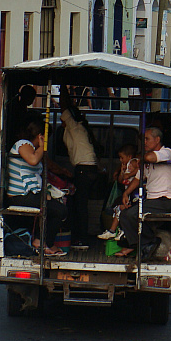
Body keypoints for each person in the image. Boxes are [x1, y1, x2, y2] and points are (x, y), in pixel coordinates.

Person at [6, 119, 68, 256]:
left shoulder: (32, 148)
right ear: (41, 135)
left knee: (57, 207)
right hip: (20, 196)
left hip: (29, 194)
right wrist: (42, 146)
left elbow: (46, 164)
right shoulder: (23, 144)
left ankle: (42, 241)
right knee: (59, 210)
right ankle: (42, 242)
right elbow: (33, 160)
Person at [117, 127, 171, 259]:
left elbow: (150, 157)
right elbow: (138, 178)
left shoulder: (167, 152)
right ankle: (143, 244)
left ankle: (147, 243)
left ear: (157, 140)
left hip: (165, 200)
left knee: (133, 215)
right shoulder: (145, 160)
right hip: (152, 200)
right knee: (125, 214)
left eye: (147, 139)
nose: (144, 142)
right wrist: (126, 193)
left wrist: (141, 158)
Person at [59, 87, 100, 248]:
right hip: (88, 170)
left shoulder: (75, 127)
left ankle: (82, 239)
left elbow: (64, 106)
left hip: (84, 170)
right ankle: (80, 236)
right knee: (80, 205)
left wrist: (62, 87)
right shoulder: (79, 129)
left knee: (80, 206)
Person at [97, 144, 139, 241]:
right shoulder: (125, 166)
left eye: (122, 157)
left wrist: (129, 175)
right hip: (127, 193)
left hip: (133, 193)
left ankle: (116, 230)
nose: (120, 160)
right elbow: (120, 180)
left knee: (121, 209)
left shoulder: (133, 162)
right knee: (118, 209)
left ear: (129, 157)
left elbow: (140, 169)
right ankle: (115, 230)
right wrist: (122, 171)